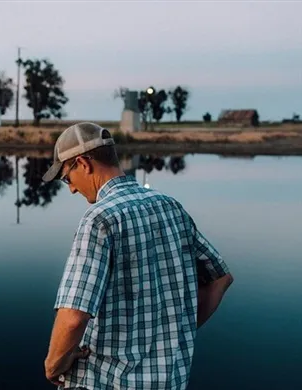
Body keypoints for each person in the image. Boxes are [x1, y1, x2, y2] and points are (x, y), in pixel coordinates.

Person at [42, 122, 233, 389]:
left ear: (83, 163)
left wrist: (54, 366)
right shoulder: (170, 206)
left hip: (109, 382)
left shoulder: (99, 219)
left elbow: (74, 317)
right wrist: (178, 332)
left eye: (66, 178)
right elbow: (219, 279)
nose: (71, 188)